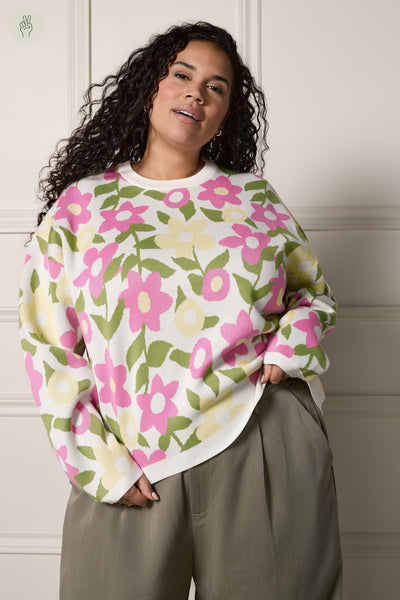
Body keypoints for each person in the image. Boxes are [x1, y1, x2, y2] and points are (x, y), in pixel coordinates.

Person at [19, 21, 342, 600]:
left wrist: (290, 348)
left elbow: (310, 293)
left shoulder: (254, 200)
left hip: (257, 431)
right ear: (150, 88)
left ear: (225, 116)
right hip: (130, 456)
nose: (197, 93)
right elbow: (48, 344)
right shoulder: (81, 207)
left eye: (217, 88)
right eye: (182, 76)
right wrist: (98, 462)